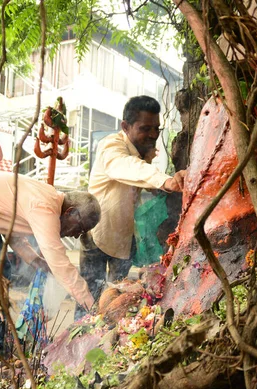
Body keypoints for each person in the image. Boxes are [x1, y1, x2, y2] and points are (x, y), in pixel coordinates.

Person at [0, 170, 98, 368]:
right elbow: (58, 259)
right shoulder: (45, 206)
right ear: (70, 211)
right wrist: (92, 306)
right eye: (79, 228)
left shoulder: (48, 200)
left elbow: (10, 228)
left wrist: (34, 260)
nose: (76, 236)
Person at [76, 95, 186, 319]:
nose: (153, 135)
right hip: (97, 236)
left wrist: (161, 183)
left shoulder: (141, 151)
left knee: (119, 302)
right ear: (125, 126)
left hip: (125, 239)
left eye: (157, 128)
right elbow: (126, 167)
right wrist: (165, 180)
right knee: (88, 303)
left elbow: (141, 182)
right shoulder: (111, 146)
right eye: (145, 128)